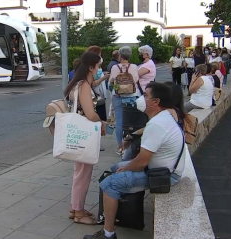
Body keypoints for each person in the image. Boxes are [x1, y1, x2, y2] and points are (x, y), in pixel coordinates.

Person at [84, 82, 185, 239]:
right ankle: (119, 212)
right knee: (115, 166)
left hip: (162, 176)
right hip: (162, 169)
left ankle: (108, 234)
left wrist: (126, 169)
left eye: (145, 95)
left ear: (156, 101)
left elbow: (142, 162)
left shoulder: (157, 124)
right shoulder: (163, 117)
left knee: (109, 183)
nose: (141, 98)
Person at [64, 52, 107, 225]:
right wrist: (102, 121)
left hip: (78, 133)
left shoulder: (77, 83)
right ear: (91, 67)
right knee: (83, 175)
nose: (98, 70)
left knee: (79, 173)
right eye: (97, 67)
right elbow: (90, 113)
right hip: (85, 135)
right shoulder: (84, 86)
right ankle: (79, 213)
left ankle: (75, 208)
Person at [109, 46, 140, 156]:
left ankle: (120, 147)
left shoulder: (114, 67)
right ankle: (130, 144)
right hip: (132, 96)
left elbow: (112, 81)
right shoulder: (134, 67)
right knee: (131, 122)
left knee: (119, 122)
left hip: (118, 96)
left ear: (120, 56)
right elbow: (136, 80)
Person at [86, 46, 110, 122]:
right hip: (96, 97)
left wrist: (102, 74)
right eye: (99, 54)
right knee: (99, 120)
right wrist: (104, 77)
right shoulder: (89, 71)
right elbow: (92, 83)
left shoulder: (96, 69)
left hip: (100, 97)